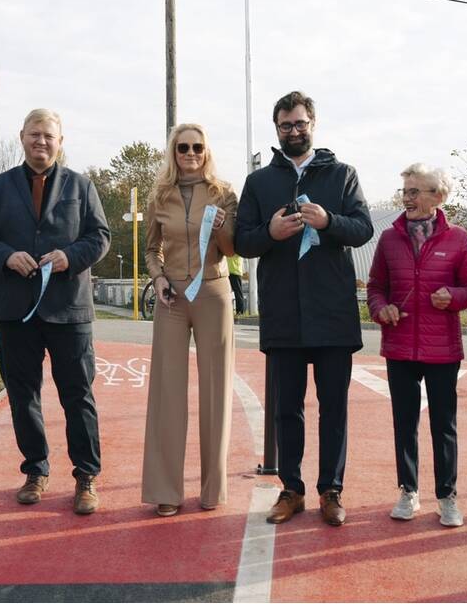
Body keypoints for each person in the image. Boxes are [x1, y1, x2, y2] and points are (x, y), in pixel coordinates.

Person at [235, 90, 374, 527]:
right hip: (283, 314)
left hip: (332, 313)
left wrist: (328, 221)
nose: (293, 131)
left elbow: (363, 229)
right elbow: (241, 241)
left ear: (312, 123)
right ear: (276, 129)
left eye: (300, 123)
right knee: (286, 410)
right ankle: (291, 490)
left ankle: (331, 490)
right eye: (285, 125)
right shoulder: (259, 182)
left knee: (334, 408)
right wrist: (270, 232)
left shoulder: (343, 175)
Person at [0, 108, 111, 514]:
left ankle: (86, 476)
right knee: (22, 395)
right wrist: (6, 256)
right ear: (22, 137)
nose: (41, 141)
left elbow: (100, 236)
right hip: (14, 311)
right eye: (34, 134)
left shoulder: (81, 186)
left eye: (49, 135)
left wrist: (69, 256)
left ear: (60, 141)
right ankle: (35, 470)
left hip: (69, 310)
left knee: (78, 396)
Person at [367, 164, 467, 527]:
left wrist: (454, 297)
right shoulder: (388, 238)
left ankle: (447, 497)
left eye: (415, 191)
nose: (407, 198)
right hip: (399, 346)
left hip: (442, 348)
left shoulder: (458, 238)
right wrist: (381, 309)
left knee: (444, 426)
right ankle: (408, 491)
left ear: (439, 196)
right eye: (405, 191)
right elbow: (375, 287)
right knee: (405, 423)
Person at [141, 123, 238, 516]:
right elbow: (152, 249)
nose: (191, 153)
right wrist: (158, 278)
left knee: (216, 391)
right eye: (183, 147)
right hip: (173, 298)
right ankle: (165, 490)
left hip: (213, 292)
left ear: (206, 151)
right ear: (174, 152)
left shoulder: (223, 193)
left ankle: (213, 489)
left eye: (198, 147)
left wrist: (223, 227)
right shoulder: (159, 195)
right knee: (167, 391)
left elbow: (231, 249)